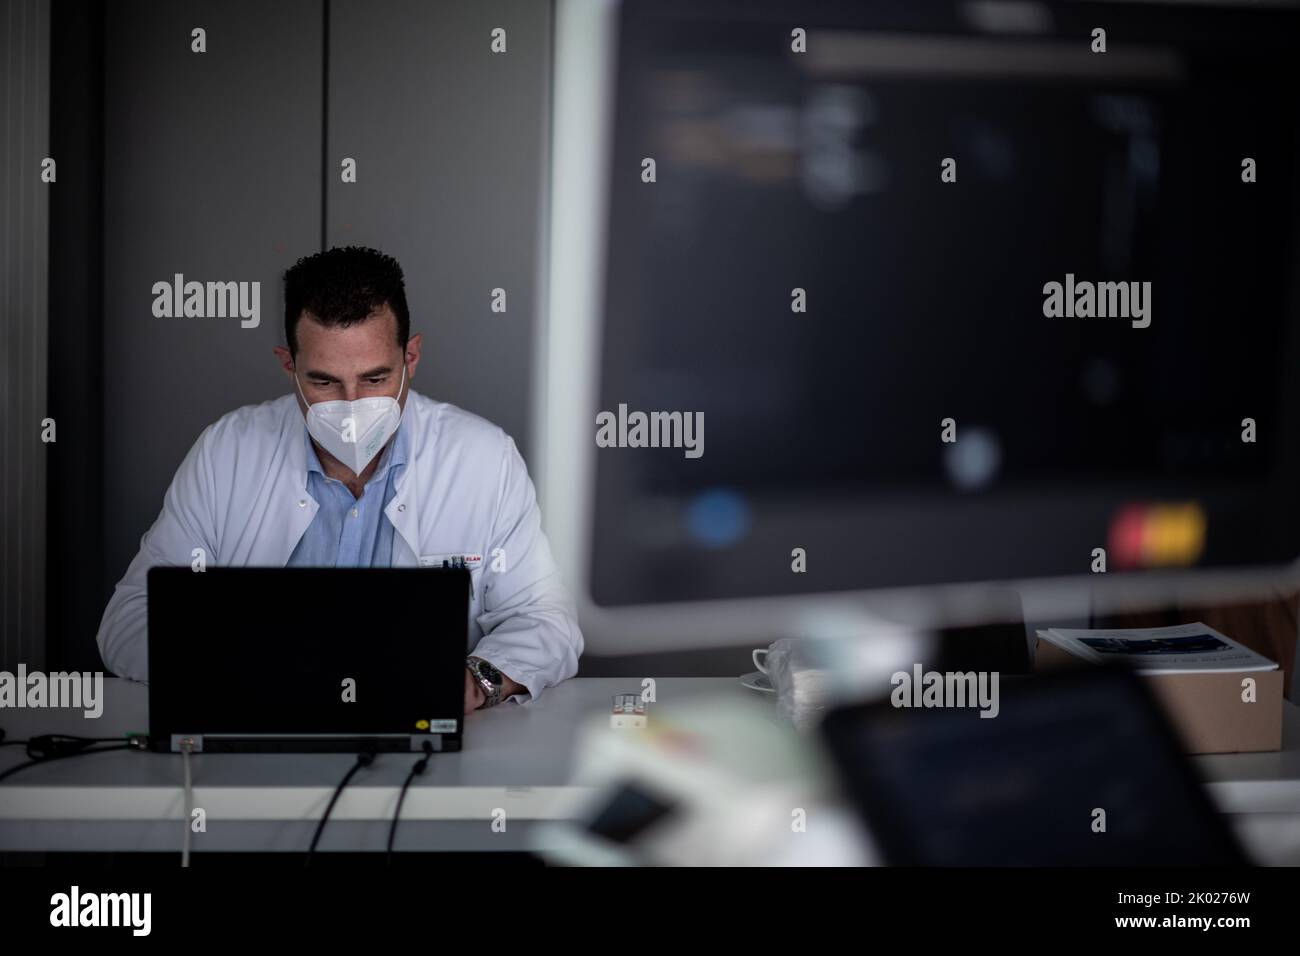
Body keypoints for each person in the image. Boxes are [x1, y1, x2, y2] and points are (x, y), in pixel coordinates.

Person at [96, 246, 582, 712]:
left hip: (420, 742)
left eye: (375, 379)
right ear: (289, 365)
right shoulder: (228, 452)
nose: (351, 407)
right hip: (259, 730)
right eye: (324, 381)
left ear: (411, 357)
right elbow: (129, 620)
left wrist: (475, 683)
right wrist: (246, 673)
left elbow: (548, 621)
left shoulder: (482, 458)